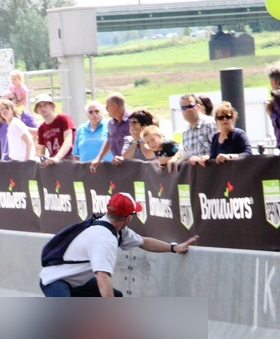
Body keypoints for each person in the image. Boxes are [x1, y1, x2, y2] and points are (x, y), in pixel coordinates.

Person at [39, 193, 199, 298]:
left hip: (74, 281)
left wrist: (174, 248)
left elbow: (144, 242)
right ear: (128, 217)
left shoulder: (116, 230)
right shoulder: (104, 239)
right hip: (55, 280)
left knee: (116, 296)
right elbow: (103, 277)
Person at [89, 93, 132, 171]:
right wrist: (98, 158)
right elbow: (109, 141)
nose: (106, 108)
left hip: (134, 167)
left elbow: (138, 143)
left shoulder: (133, 121)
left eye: (107, 106)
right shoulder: (111, 123)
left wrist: (123, 157)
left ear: (114, 106)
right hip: (118, 167)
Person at [34, 94, 75, 164]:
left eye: (45, 105)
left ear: (52, 106)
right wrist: (43, 159)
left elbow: (68, 141)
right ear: (37, 110)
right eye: (39, 106)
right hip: (53, 163)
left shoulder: (63, 118)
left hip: (69, 159)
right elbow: (42, 152)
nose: (42, 108)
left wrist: (57, 158)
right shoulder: (41, 128)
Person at [178, 94, 217, 166]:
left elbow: (221, 150)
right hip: (195, 176)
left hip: (214, 173)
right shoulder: (185, 132)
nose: (187, 110)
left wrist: (209, 158)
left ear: (198, 107)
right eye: (184, 108)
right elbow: (185, 156)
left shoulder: (211, 124)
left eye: (190, 106)